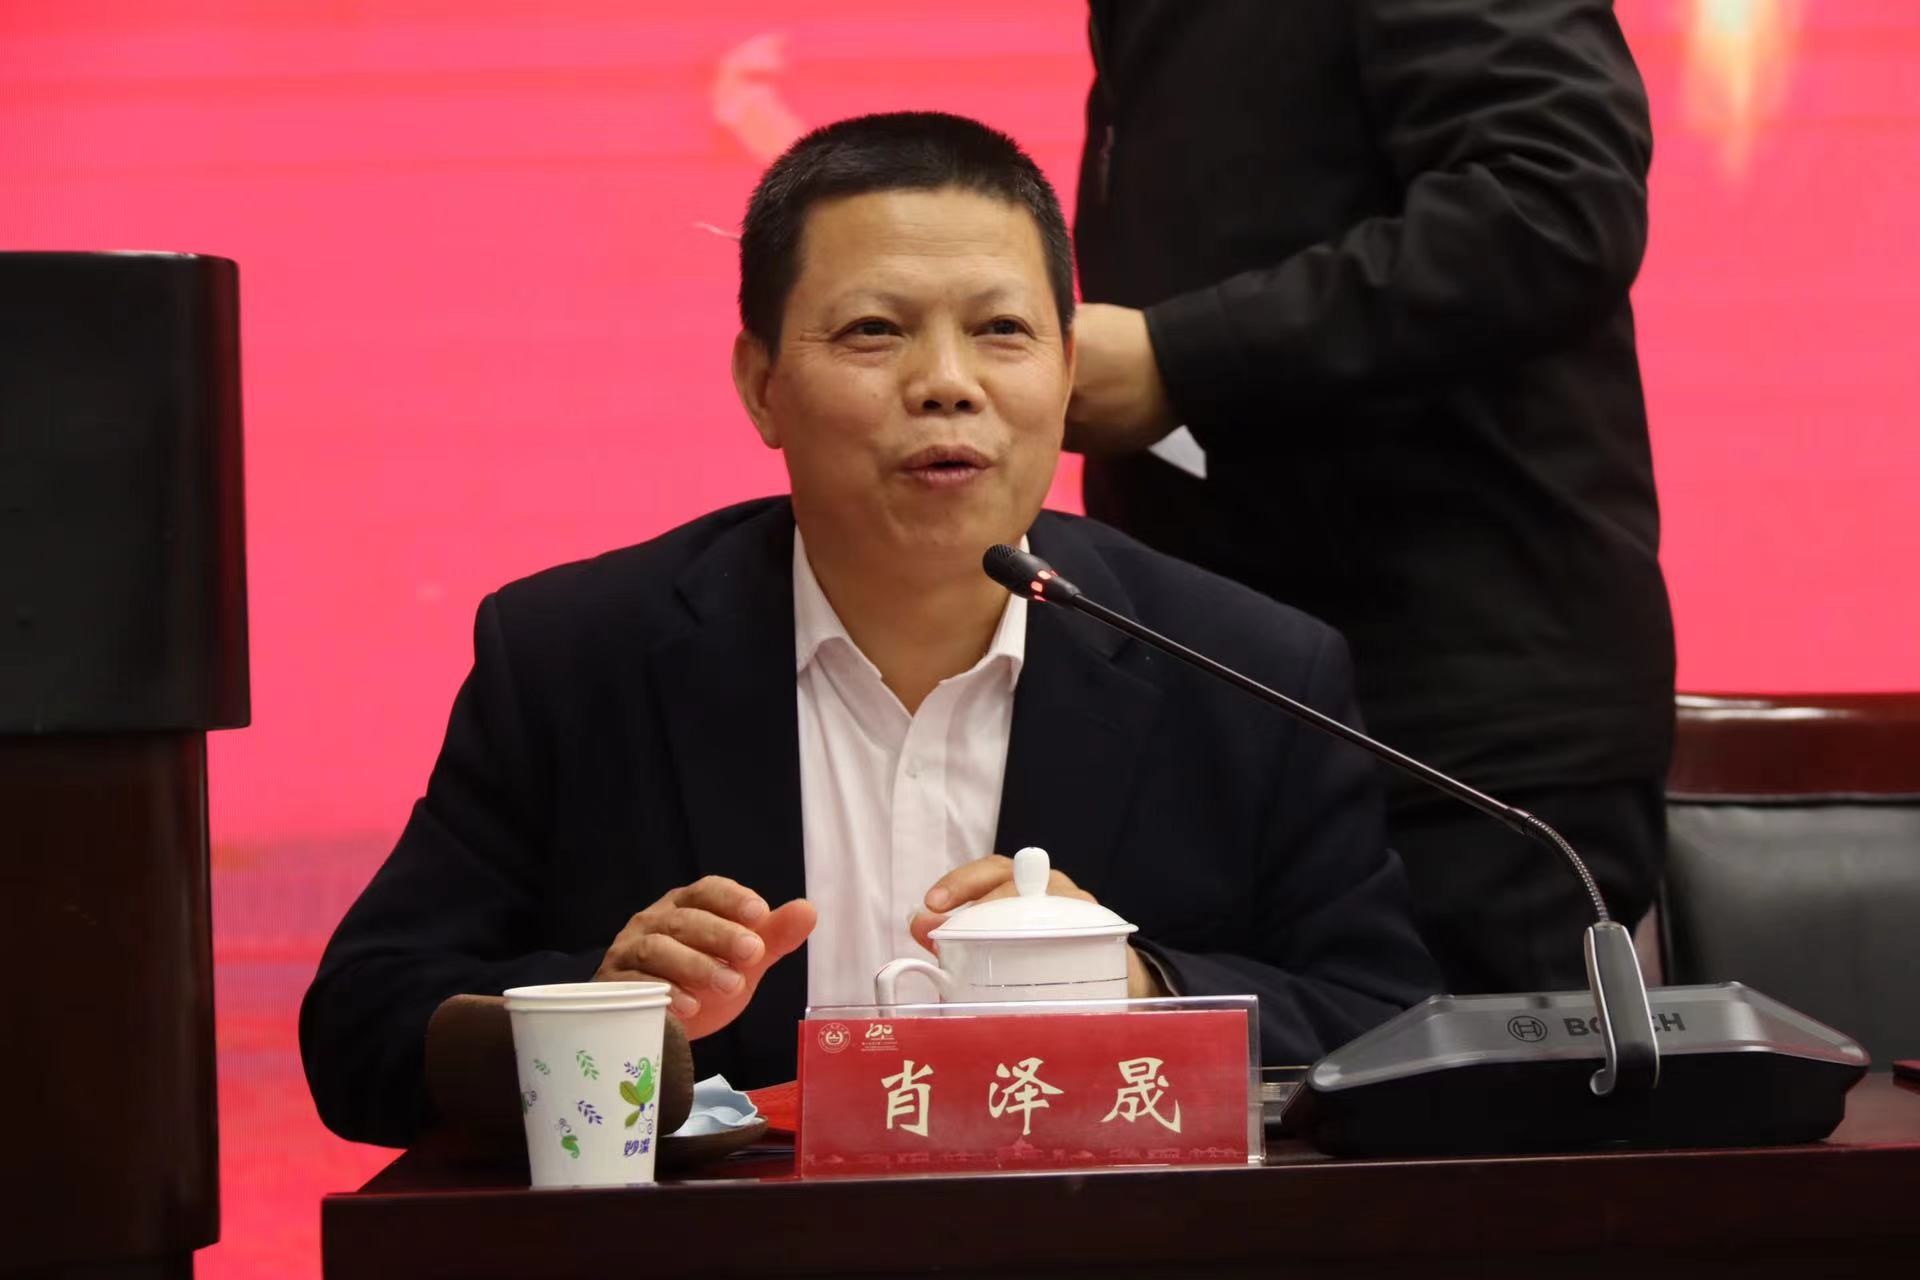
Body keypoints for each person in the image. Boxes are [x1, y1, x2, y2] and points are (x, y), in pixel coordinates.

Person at [300, 111, 1438, 1147]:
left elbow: (1387, 1022)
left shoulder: (1247, 669)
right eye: (874, 331)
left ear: (1066, 375)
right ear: (761, 384)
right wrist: (606, 1009)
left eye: (1001, 330)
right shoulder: (578, 658)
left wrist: (1135, 989)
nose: (946, 383)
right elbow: (361, 1030)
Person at [1065, 0, 1675, 994]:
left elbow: (1551, 207)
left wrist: (1180, 358)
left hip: (1457, 723)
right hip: (1239, 707)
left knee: (1467, 1091)